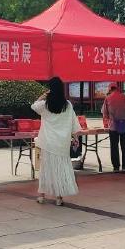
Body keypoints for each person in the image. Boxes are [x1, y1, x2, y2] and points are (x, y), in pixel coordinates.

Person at [33, 77, 82, 205]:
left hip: (48, 142)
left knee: (46, 168)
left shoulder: (45, 105)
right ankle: (59, 197)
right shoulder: (68, 105)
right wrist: (75, 137)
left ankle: (41, 196)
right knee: (60, 169)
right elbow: (73, 123)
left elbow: (34, 106)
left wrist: (43, 96)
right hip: (62, 143)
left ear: (50, 89)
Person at [101, 84, 125, 173]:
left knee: (114, 147)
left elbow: (105, 113)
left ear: (110, 89)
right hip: (124, 125)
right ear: (117, 88)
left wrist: (110, 118)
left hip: (113, 126)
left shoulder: (107, 98)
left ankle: (116, 167)